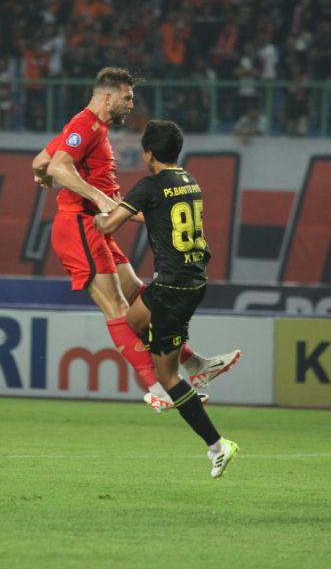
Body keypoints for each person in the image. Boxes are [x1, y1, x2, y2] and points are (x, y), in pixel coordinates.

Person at [30, 67, 241, 413]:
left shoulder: (92, 127)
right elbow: (57, 167)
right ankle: (157, 387)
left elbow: (43, 162)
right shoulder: (85, 124)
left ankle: (194, 365)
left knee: (139, 297)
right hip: (79, 227)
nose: (132, 104)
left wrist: (44, 173)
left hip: (94, 226)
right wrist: (97, 197)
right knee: (118, 309)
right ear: (108, 96)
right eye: (128, 97)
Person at [94, 120, 238, 478]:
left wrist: (99, 218)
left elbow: (109, 226)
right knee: (134, 321)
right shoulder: (190, 182)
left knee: (167, 377)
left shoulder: (149, 186)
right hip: (191, 280)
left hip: (173, 288)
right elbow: (159, 217)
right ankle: (199, 366)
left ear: (148, 153)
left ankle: (217, 445)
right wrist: (127, 209)